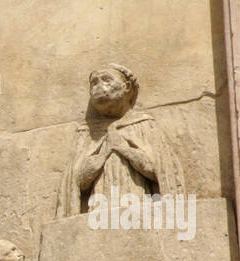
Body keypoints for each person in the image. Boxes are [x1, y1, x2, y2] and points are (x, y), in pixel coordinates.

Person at [58, 63, 184, 217]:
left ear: (127, 87)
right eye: (94, 82)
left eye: (106, 80)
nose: (98, 86)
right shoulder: (86, 133)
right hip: (98, 212)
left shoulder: (144, 125)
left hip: (139, 207)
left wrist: (125, 149)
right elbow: (78, 181)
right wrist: (103, 154)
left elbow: (158, 169)